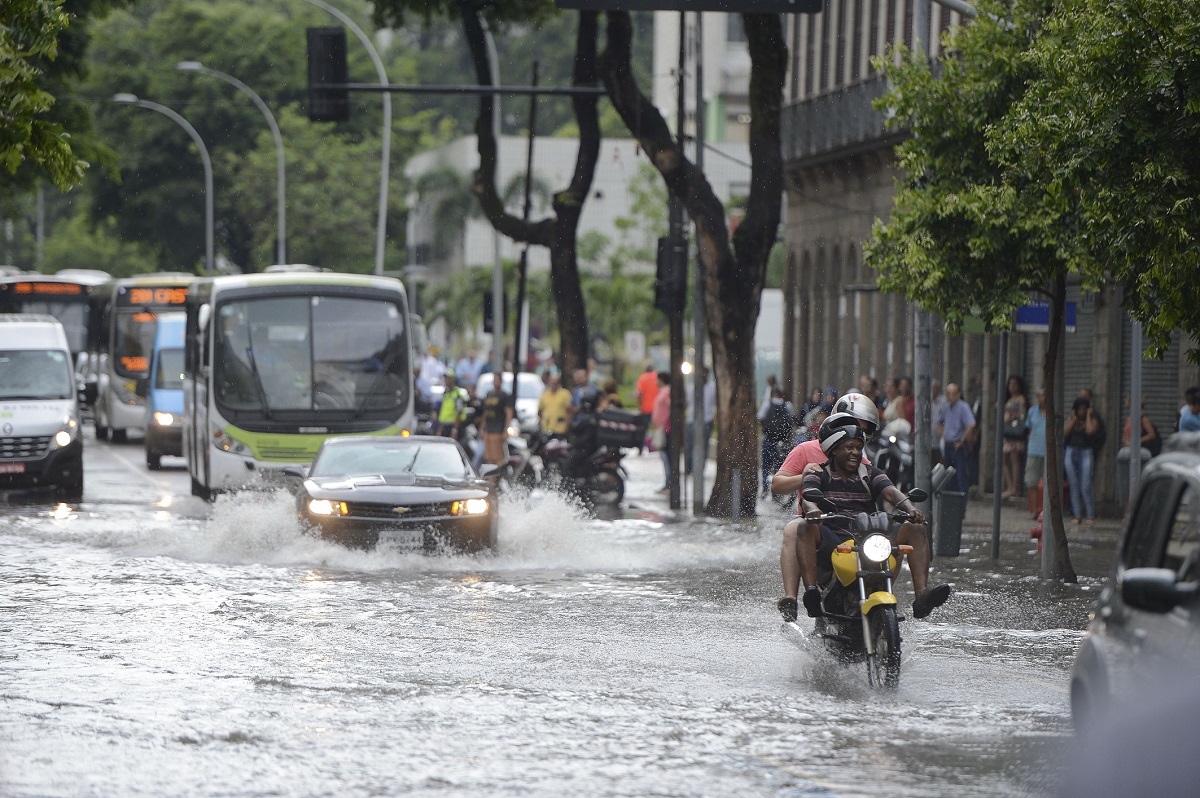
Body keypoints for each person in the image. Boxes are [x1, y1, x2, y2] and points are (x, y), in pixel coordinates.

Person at [775, 412, 950, 623]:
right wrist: (812, 510)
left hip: (868, 538)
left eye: (858, 448)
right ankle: (811, 591)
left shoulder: (870, 472)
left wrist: (910, 508)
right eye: (849, 447)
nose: (855, 453)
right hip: (834, 540)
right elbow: (807, 499)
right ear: (834, 449)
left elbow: (891, 492)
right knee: (803, 526)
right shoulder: (817, 473)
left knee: (915, 529)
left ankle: (921, 594)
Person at [1064, 396, 1101, 525]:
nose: (1081, 412)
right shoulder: (1072, 420)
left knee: (1085, 485)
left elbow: (1090, 431)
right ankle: (1077, 514)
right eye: (1079, 409)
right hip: (1071, 452)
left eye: (1084, 409)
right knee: (1073, 484)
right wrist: (1073, 418)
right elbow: (1065, 432)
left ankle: (1090, 515)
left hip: (1086, 452)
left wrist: (1088, 416)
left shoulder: (1092, 420)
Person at [936, 382, 976, 495]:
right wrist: (942, 434)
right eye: (948, 393)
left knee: (960, 476)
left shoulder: (963, 407)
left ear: (958, 394)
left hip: (957, 445)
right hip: (948, 444)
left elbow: (971, 424)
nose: (951, 396)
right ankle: (951, 503)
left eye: (953, 393)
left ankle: (961, 505)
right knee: (949, 476)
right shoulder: (946, 407)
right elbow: (939, 422)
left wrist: (962, 440)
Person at [759, 386, 795, 497]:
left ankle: (765, 489)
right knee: (779, 465)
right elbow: (791, 420)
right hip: (782, 441)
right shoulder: (787, 405)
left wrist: (766, 428)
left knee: (766, 465)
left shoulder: (767, 404)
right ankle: (777, 491)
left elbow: (760, 417)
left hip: (769, 439)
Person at [564, 386, 601, 482]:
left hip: (583, 449)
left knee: (567, 466)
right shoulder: (594, 416)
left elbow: (573, 427)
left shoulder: (587, 419)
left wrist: (574, 413)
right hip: (589, 448)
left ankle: (569, 488)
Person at [478, 372, 514, 467]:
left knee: (498, 458)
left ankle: (498, 478)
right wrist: (482, 428)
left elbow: (509, 414)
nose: (495, 382)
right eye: (494, 380)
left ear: (501, 381)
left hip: (498, 429)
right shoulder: (489, 394)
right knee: (489, 457)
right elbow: (485, 413)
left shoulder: (505, 396)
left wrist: (506, 429)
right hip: (488, 429)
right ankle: (491, 480)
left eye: (497, 380)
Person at [1001, 375, 1028, 500]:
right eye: (1010, 384)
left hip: (1015, 433)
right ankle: (1010, 486)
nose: (1012, 387)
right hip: (1007, 434)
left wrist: (1009, 411)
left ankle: (1015, 488)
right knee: (1004, 460)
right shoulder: (1009, 398)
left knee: (1014, 459)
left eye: (1015, 384)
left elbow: (1021, 414)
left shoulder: (1021, 398)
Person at [1024, 388, 1047, 519]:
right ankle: (1034, 511)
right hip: (1033, 451)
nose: (1041, 398)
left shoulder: (1053, 412)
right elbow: (1028, 429)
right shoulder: (1032, 412)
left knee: (1046, 484)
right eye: (1039, 396)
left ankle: (1044, 510)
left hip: (1047, 453)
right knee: (1031, 482)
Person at [651, 371, 671, 493]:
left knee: (666, 457)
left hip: (666, 429)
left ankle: (669, 483)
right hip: (661, 428)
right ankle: (668, 482)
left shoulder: (667, 391)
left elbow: (670, 407)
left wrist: (664, 422)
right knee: (664, 457)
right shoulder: (663, 391)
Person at [435, 370, 469, 439]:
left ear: (452, 379)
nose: (445, 380)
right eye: (445, 378)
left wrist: (454, 431)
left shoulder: (458, 394)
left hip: (453, 426)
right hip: (444, 426)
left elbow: (459, 413)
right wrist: (440, 428)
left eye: (447, 378)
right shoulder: (445, 394)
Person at [634, 364, 658, 451]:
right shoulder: (657, 376)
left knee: (643, 429)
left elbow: (640, 393)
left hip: (646, 408)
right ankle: (656, 446)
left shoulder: (642, 378)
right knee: (657, 429)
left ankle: (640, 449)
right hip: (656, 408)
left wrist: (639, 405)